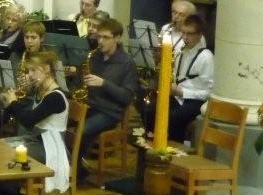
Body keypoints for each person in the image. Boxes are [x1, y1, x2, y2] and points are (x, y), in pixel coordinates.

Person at [0, 51, 71, 195]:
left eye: (32, 71)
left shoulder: (56, 97)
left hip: (51, 147)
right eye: (28, 71)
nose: (29, 75)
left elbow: (29, 121)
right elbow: (23, 115)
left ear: (46, 69)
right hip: (38, 140)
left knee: (11, 158)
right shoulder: (40, 91)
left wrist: (14, 102)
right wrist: (8, 102)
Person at [78, 18, 138, 168]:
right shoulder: (93, 56)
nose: (100, 41)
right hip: (88, 106)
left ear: (117, 38)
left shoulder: (127, 63)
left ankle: (78, 168)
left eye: (105, 37)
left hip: (109, 112)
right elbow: (79, 82)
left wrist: (103, 83)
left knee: (81, 131)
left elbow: (127, 96)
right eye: (99, 37)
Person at [147, 14, 214, 142]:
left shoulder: (207, 57)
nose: (184, 37)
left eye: (190, 34)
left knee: (173, 117)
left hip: (195, 100)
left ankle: (174, 149)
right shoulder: (182, 52)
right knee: (150, 110)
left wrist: (182, 92)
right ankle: (152, 144)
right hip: (179, 96)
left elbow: (209, 93)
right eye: (183, 33)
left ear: (200, 35)